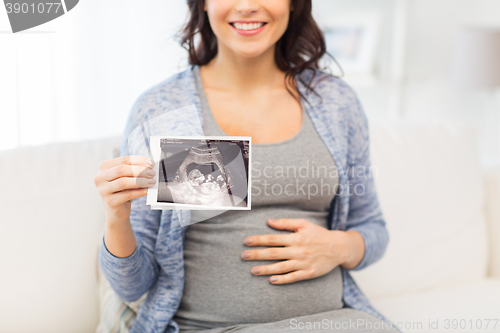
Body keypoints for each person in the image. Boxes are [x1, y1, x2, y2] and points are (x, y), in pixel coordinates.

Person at [93, 0, 401, 332]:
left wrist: (340, 247)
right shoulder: (162, 109)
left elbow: (373, 228)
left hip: (335, 322)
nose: (248, 5)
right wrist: (117, 217)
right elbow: (132, 287)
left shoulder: (337, 103)